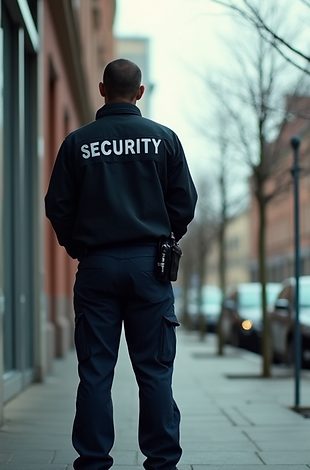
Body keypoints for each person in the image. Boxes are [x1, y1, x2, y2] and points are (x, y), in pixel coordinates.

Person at [45, 59, 197, 470]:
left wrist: (80, 247)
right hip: (150, 267)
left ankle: (93, 462)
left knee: (96, 371)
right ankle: (162, 461)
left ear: (101, 89)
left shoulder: (78, 142)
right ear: (140, 92)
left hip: (97, 267)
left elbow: (56, 205)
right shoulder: (164, 140)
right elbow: (184, 203)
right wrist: (165, 240)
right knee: (154, 371)